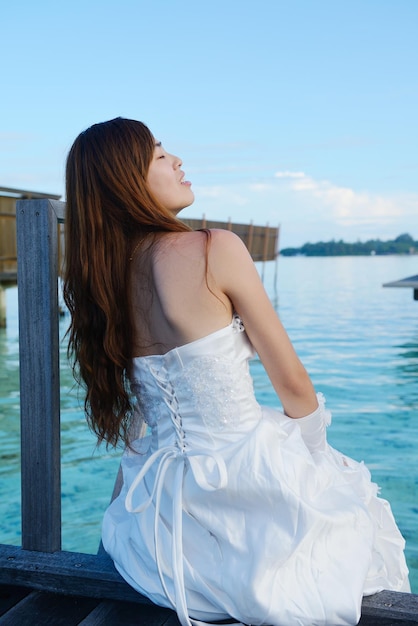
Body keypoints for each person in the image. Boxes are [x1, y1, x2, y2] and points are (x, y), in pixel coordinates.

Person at [64, 117, 410, 626]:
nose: (178, 160)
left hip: (165, 517)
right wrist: (321, 464)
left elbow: (142, 420)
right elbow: (292, 384)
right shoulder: (213, 248)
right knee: (355, 511)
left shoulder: (105, 285)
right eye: (160, 155)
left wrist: (125, 504)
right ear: (125, 181)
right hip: (245, 488)